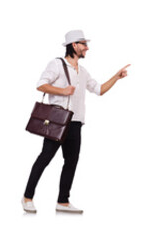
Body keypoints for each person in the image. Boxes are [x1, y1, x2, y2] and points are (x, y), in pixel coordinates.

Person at [22, 30, 130, 214]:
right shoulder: (57, 64)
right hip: (57, 121)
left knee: (71, 162)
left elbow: (99, 89)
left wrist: (116, 77)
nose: (87, 48)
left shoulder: (83, 71)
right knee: (45, 158)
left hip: (76, 122)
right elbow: (41, 84)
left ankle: (63, 201)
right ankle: (27, 197)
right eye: (84, 44)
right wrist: (62, 91)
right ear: (74, 45)